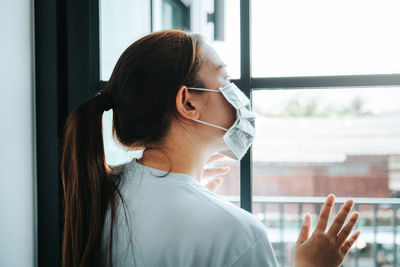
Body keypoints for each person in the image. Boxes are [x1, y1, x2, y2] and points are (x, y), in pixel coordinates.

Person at [60, 29, 361, 267]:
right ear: (188, 102)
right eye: (225, 79)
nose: (237, 94)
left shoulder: (97, 192)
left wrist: (190, 197)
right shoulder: (238, 234)